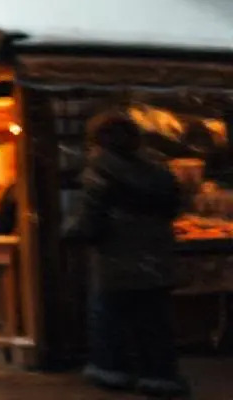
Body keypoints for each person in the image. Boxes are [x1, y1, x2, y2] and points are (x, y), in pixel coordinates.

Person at [64, 110, 189, 397]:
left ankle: (112, 370)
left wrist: (71, 231)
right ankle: (159, 374)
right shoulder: (157, 170)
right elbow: (173, 208)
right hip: (156, 255)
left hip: (115, 257)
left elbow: (90, 218)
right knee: (155, 318)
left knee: (109, 315)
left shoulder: (100, 169)